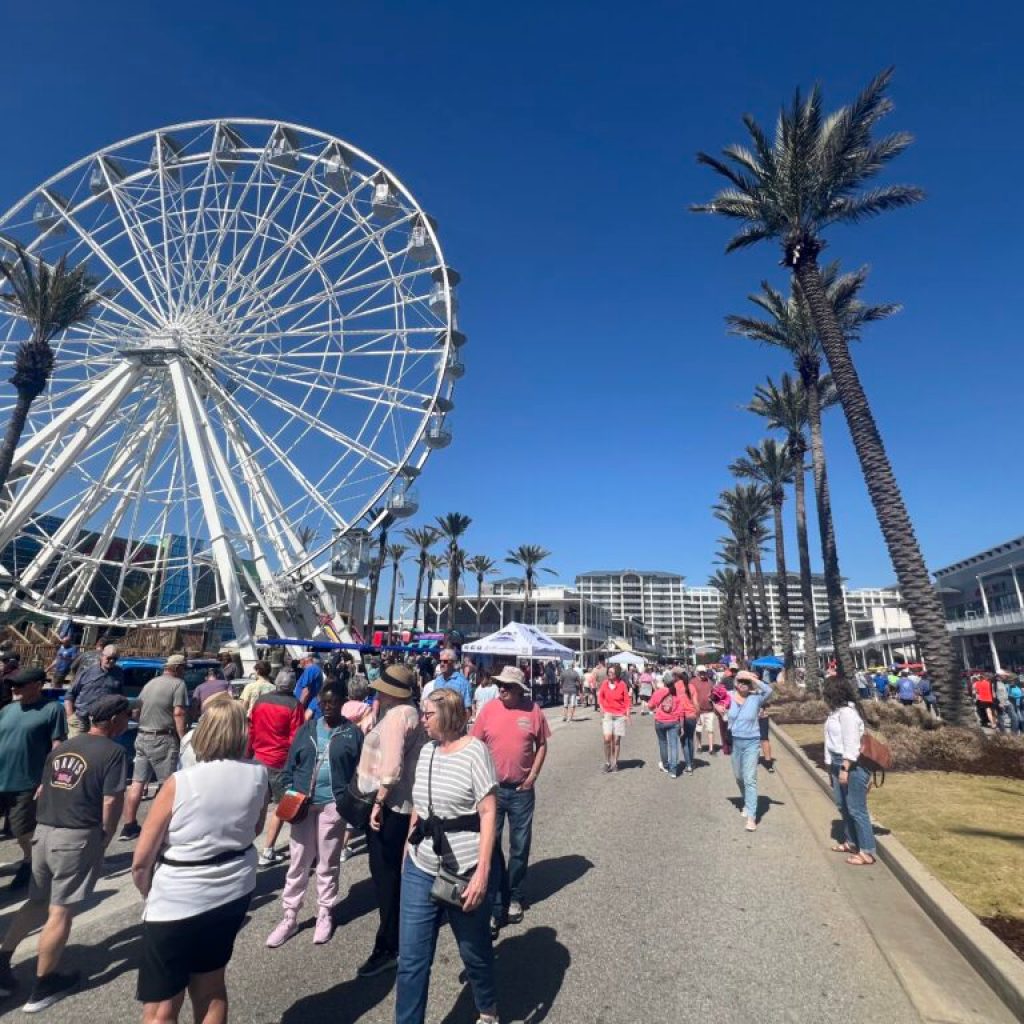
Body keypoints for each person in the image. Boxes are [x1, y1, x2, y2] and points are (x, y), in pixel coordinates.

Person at [132, 698, 268, 1023]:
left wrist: (148, 891)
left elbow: (141, 859)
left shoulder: (181, 782)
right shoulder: (258, 774)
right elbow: (257, 827)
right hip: (233, 887)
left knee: (162, 1006)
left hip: (178, 895)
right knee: (210, 987)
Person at [0, 694, 129, 1012]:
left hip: (45, 832)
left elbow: (43, 790)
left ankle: (3, 959)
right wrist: (106, 834)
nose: (128, 721)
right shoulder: (114, 751)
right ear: (113, 720)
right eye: (127, 716)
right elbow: (111, 801)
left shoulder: (65, 747)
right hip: (76, 835)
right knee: (60, 911)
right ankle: (44, 985)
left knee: (37, 901)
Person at [396, 688, 498, 1024]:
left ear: (450, 716)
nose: (422, 720)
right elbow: (420, 807)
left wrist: (483, 872)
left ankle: (487, 1008)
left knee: (474, 951)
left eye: (428, 715)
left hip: (464, 869)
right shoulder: (427, 751)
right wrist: (406, 854)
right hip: (421, 863)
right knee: (411, 960)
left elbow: (487, 813)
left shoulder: (475, 752)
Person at [266, 685, 363, 948]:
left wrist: (348, 797)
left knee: (328, 862)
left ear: (343, 702)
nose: (328, 705)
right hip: (302, 805)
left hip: (333, 804)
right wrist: (289, 789)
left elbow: (360, 768)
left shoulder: (352, 733)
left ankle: (324, 912)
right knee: (298, 860)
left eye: (333, 701)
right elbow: (291, 764)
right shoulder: (307, 730)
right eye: (324, 701)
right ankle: (289, 915)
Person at [353, 665, 424, 977]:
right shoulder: (410, 712)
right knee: (395, 873)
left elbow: (392, 767)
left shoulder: (396, 717)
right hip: (404, 802)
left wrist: (378, 802)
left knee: (385, 875)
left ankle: (389, 943)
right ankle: (397, 934)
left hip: (390, 805)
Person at [472, 665, 550, 938]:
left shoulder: (533, 711)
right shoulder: (489, 710)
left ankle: (514, 894)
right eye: (499, 685)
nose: (501, 689)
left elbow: (542, 744)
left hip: (521, 791)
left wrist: (534, 775)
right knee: (490, 846)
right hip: (492, 791)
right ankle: (495, 902)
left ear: (519, 690)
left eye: (506, 686)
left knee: (520, 845)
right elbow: (474, 745)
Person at [0, 668, 68, 891]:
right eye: (12, 685)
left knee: (22, 830)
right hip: (2, 777)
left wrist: (47, 780)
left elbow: (57, 747)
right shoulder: (8, 709)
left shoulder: (52, 710)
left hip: (26, 781)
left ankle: (31, 861)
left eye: (19, 685)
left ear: (38, 685)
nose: (14, 689)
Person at [120, 654, 190, 842]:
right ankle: (159, 826)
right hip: (163, 737)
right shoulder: (178, 685)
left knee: (137, 782)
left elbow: (136, 710)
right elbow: (179, 712)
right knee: (166, 784)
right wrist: (184, 738)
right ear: (177, 668)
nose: (185, 671)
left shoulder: (150, 684)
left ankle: (129, 825)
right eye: (184, 668)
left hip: (142, 736)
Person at [249, 669, 305, 866]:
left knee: (258, 806)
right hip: (281, 762)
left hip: (258, 758)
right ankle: (268, 849)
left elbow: (252, 728)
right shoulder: (294, 705)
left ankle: (249, 847)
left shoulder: (261, 700)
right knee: (285, 807)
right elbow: (296, 738)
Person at [822, 676, 876, 866]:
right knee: (842, 805)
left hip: (852, 764)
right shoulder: (835, 713)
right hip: (837, 763)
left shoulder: (848, 713)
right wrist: (830, 767)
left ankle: (867, 851)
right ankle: (852, 841)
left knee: (856, 808)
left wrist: (845, 768)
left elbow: (851, 744)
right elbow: (830, 742)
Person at [727, 670, 774, 832]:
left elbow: (769, 691)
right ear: (735, 683)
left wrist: (752, 678)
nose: (743, 685)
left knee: (749, 778)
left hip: (752, 742)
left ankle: (751, 817)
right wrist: (718, 709)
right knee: (739, 777)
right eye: (740, 681)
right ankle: (746, 802)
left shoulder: (756, 698)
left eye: (746, 683)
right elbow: (714, 697)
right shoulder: (729, 696)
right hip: (735, 742)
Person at [65, 644, 123, 735]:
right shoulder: (87, 671)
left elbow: (120, 697)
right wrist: (70, 716)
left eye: (115, 659)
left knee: (94, 748)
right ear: (102, 656)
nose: (111, 661)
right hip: (81, 720)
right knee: (75, 748)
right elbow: (70, 695)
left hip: (102, 723)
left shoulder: (119, 674)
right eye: (109, 658)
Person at [647, 670, 693, 777]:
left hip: (660, 721)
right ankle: (673, 770)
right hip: (674, 721)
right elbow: (681, 710)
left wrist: (657, 706)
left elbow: (650, 706)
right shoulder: (677, 693)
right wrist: (681, 725)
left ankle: (665, 765)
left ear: (664, 682)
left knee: (663, 744)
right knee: (674, 746)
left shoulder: (659, 692)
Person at [597, 664, 630, 772]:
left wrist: (627, 715)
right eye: (608, 672)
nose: (609, 674)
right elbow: (600, 697)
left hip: (619, 715)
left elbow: (626, 701)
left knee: (616, 740)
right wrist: (601, 708)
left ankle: (615, 762)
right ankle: (607, 762)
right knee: (607, 739)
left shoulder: (622, 684)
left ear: (617, 674)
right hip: (607, 714)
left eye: (612, 673)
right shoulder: (605, 684)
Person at [688, 670, 716, 754]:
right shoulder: (692, 682)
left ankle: (711, 748)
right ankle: (699, 746)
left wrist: (712, 697)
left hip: (709, 709)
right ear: (697, 673)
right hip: (698, 711)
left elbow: (714, 693)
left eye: (704, 672)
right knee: (698, 730)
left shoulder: (710, 682)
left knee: (710, 729)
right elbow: (690, 695)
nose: (703, 674)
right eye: (701, 673)